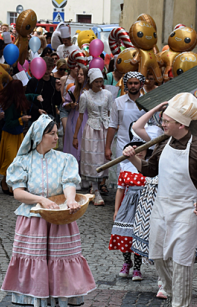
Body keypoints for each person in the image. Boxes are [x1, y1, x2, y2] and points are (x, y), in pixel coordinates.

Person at [123, 93, 197, 307]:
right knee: (158, 255)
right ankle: (173, 297)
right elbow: (150, 170)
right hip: (161, 205)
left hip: (187, 209)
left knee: (181, 260)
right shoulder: (163, 143)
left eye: (166, 120)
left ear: (181, 124)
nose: (162, 124)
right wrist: (134, 159)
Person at [1, 115, 96, 307]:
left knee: (59, 265)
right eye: (51, 133)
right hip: (32, 220)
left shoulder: (64, 159)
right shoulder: (23, 161)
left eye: (55, 133)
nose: (56, 137)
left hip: (59, 220)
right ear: (39, 136)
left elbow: (69, 184)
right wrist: (40, 200)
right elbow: (18, 192)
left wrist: (71, 200)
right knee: (33, 266)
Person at [130, 103, 166, 298]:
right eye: (165, 120)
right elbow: (137, 127)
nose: (166, 123)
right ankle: (162, 280)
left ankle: (170, 282)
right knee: (156, 237)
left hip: (176, 192)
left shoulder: (189, 140)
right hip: (155, 191)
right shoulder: (159, 140)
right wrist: (156, 108)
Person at [108, 139, 148, 281]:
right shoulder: (125, 166)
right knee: (124, 235)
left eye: (142, 149)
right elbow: (120, 190)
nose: (139, 152)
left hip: (144, 203)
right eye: (136, 149)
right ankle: (126, 262)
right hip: (128, 204)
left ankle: (137, 268)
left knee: (138, 235)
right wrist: (116, 210)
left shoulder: (150, 167)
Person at [73, 69, 113, 206]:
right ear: (91, 81)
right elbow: (80, 116)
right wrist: (75, 136)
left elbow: (109, 112)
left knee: (103, 158)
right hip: (91, 129)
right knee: (93, 158)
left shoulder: (107, 94)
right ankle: (95, 190)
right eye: (96, 81)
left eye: (101, 81)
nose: (99, 84)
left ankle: (98, 185)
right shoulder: (85, 96)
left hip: (105, 129)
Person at [0, 79, 36, 194]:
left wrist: (37, 96)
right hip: (10, 134)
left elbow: (29, 96)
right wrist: (21, 119)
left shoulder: (18, 99)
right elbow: (9, 122)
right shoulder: (10, 104)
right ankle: (6, 182)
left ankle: (9, 183)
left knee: (18, 161)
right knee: (10, 159)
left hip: (18, 134)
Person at [106, 72, 146, 173]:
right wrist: (107, 148)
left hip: (142, 146)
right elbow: (112, 125)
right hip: (122, 144)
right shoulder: (118, 101)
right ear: (126, 85)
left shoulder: (147, 101)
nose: (133, 86)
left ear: (141, 84)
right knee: (122, 173)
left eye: (135, 83)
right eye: (130, 83)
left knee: (140, 174)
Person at [62, 65, 87, 165]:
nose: (79, 76)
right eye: (78, 74)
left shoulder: (90, 91)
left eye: (82, 74)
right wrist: (70, 105)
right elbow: (64, 105)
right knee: (72, 145)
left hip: (85, 118)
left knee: (82, 145)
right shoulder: (73, 89)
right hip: (73, 119)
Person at [26, 56, 59, 124]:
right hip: (35, 117)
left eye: (49, 69)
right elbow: (27, 99)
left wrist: (58, 90)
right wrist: (37, 109)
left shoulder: (54, 81)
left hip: (50, 116)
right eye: (45, 68)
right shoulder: (34, 81)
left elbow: (57, 102)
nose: (47, 71)